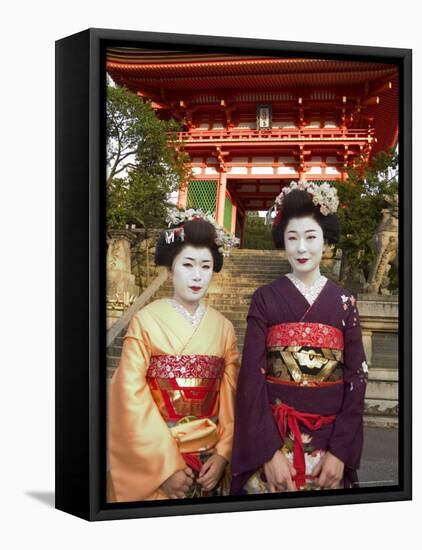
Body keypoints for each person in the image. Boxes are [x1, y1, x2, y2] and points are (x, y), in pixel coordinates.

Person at [231, 181, 368, 494]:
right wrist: (267, 451)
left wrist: (340, 453)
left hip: (328, 447)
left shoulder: (345, 302)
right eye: (292, 238)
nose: (301, 248)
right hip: (275, 440)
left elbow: (356, 380)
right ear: (283, 241)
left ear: (325, 241)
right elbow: (252, 377)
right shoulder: (264, 298)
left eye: (311, 237)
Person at [108, 210, 240, 502]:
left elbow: (230, 401)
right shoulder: (145, 320)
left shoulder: (224, 329)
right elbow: (128, 397)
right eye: (188, 264)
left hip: (209, 461)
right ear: (170, 268)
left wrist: (223, 455)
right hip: (157, 454)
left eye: (205, 266)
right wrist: (165, 468)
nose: (197, 275)